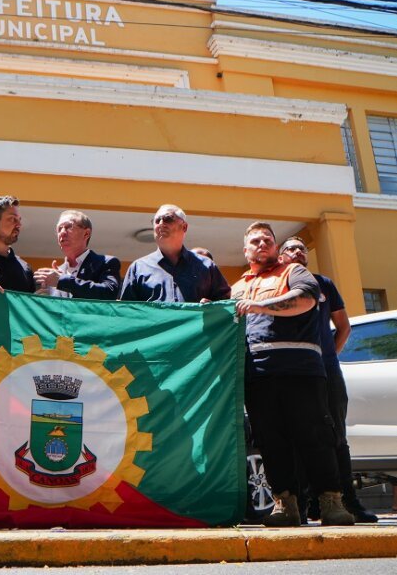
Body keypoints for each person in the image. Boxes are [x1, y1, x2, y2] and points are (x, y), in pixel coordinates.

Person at [231, 222, 354, 527]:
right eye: (255, 241)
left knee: (315, 436)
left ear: (275, 247)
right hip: (258, 375)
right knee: (270, 442)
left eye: (268, 240)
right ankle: (286, 505)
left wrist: (258, 305)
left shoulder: (294, 273)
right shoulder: (237, 287)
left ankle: (331, 503)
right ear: (246, 250)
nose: (262, 244)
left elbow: (305, 299)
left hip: (301, 372)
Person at [278, 237, 378, 523]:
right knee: (299, 437)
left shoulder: (324, 284)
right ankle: (309, 504)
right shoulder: (275, 285)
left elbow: (343, 326)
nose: (297, 252)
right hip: (295, 371)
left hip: (326, 370)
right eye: (290, 249)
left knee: (336, 436)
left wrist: (328, 357)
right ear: (281, 256)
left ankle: (348, 502)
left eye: (301, 248)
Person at [120, 205, 230, 303]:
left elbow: (226, 305)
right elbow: (127, 313)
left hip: (195, 326)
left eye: (168, 219)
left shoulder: (206, 266)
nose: (161, 224)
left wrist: (211, 307)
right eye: (157, 220)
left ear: (184, 227)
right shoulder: (138, 268)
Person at [33, 210, 121, 299]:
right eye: (59, 229)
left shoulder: (106, 263)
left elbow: (109, 293)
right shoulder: (55, 274)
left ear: (86, 234)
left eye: (68, 227)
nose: (62, 232)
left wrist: (63, 281)